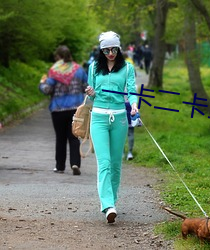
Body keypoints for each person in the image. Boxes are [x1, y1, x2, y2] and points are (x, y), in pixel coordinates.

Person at [85, 31, 138, 223]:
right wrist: (90, 92)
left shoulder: (127, 68)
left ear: (119, 48)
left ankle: (112, 201)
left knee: (116, 164)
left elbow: (131, 90)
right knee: (104, 163)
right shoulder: (93, 68)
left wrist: (134, 104)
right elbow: (91, 97)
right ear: (101, 50)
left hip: (120, 119)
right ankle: (107, 205)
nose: (110, 53)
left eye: (114, 49)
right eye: (106, 50)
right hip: (98, 118)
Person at [39, 45, 88, 175]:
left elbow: (47, 90)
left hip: (58, 109)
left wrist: (42, 83)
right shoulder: (79, 69)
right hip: (75, 109)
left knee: (60, 138)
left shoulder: (54, 71)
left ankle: (60, 166)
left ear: (58, 57)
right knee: (74, 137)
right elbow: (86, 87)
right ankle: (75, 163)